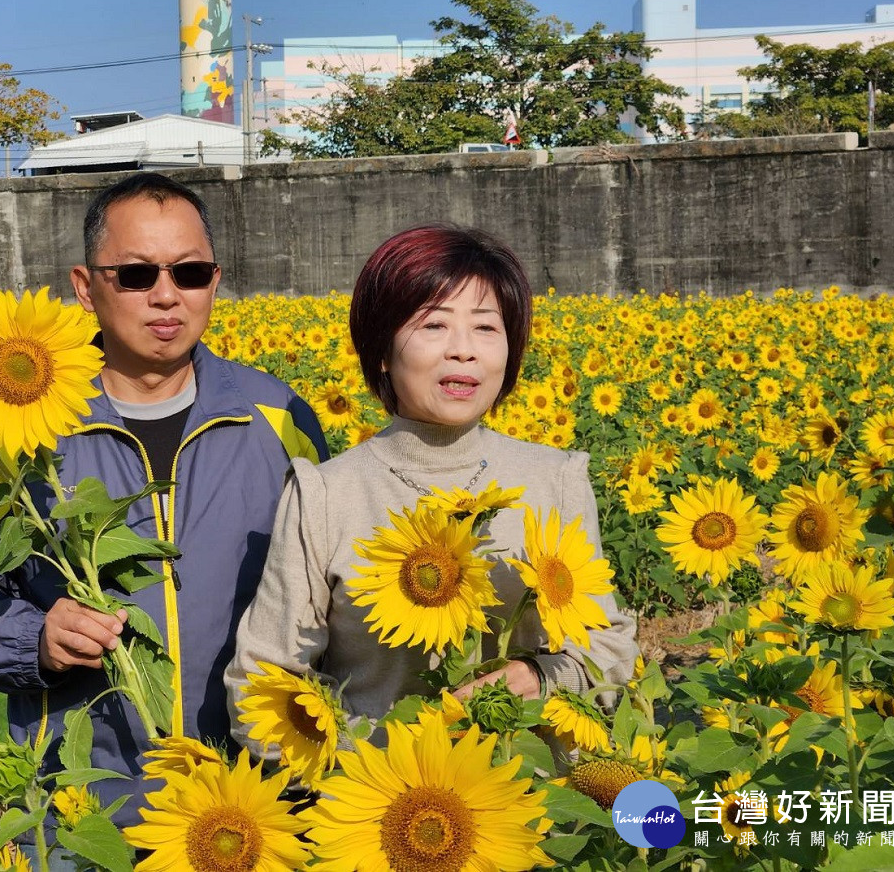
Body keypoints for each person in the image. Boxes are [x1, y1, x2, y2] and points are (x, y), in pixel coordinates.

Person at [0, 173, 329, 841]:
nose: (167, 295)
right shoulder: (8, 435)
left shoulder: (279, 419)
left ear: (215, 281)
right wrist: (33, 640)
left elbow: (327, 598)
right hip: (83, 807)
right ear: (85, 286)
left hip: (246, 805)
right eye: (136, 274)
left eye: (190, 272)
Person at [227, 223, 638, 750]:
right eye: (434, 325)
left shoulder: (554, 479)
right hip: (379, 806)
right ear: (381, 348)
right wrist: (376, 756)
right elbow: (262, 682)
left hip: (532, 805)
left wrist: (539, 678)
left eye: (486, 328)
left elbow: (608, 649)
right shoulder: (325, 495)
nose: (463, 351)